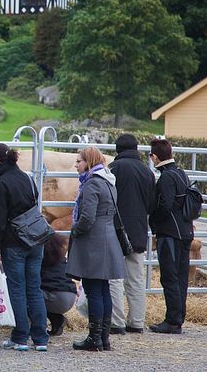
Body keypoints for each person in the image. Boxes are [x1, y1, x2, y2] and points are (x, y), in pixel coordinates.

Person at [0, 143, 48, 352]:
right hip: (36, 240)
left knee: (17, 289)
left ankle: (20, 336)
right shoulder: (28, 179)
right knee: (34, 288)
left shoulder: (0, 184)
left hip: (13, 243)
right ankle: (40, 338)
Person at [66, 146, 126, 352]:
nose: (76, 165)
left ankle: (94, 338)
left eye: (79, 161)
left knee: (93, 290)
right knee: (103, 290)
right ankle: (104, 338)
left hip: (93, 241)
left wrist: (75, 230)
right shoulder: (109, 182)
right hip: (108, 238)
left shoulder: (92, 184)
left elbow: (88, 217)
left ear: (89, 162)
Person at [108, 133, 156, 335]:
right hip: (138, 230)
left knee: (115, 277)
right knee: (136, 278)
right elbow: (152, 204)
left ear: (118, 150)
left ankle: (116, 322)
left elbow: (108, 199)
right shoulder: (147, 172)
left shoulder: (114, 169)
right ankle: (136, 321)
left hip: (116, 229)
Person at [148, 138, 193, 334]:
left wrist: (152, 219)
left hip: (170, 233)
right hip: (185, 231)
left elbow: (165, 206)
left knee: (169, 276)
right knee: (181, 276)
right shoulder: (181, 173)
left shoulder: (166, 177)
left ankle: (173, 320)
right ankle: (178, 317)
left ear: (154, 157)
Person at [40, 234, 76, 336]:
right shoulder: (61, 259)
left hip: (55, 296)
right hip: (70, 296)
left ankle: (36, 326)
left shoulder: (40, 260)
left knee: (29, 295)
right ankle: (57, 320)